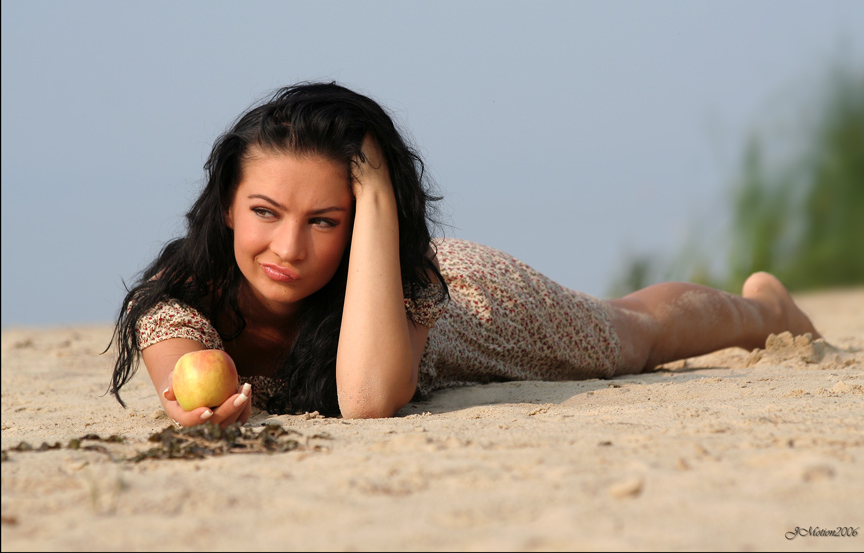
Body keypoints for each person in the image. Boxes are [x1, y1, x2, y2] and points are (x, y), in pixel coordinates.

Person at [108, 81, 821, 428]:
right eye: (265, 213)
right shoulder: (184, 291)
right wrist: (195, 411)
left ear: (359, 220)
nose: (288, 248)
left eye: (325, 220)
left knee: (629, 337)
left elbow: (365, 399)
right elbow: (186, 380)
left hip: (475, 306)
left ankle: (763, 308)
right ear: (227, 204)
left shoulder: (403, 266)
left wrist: (381, 197)